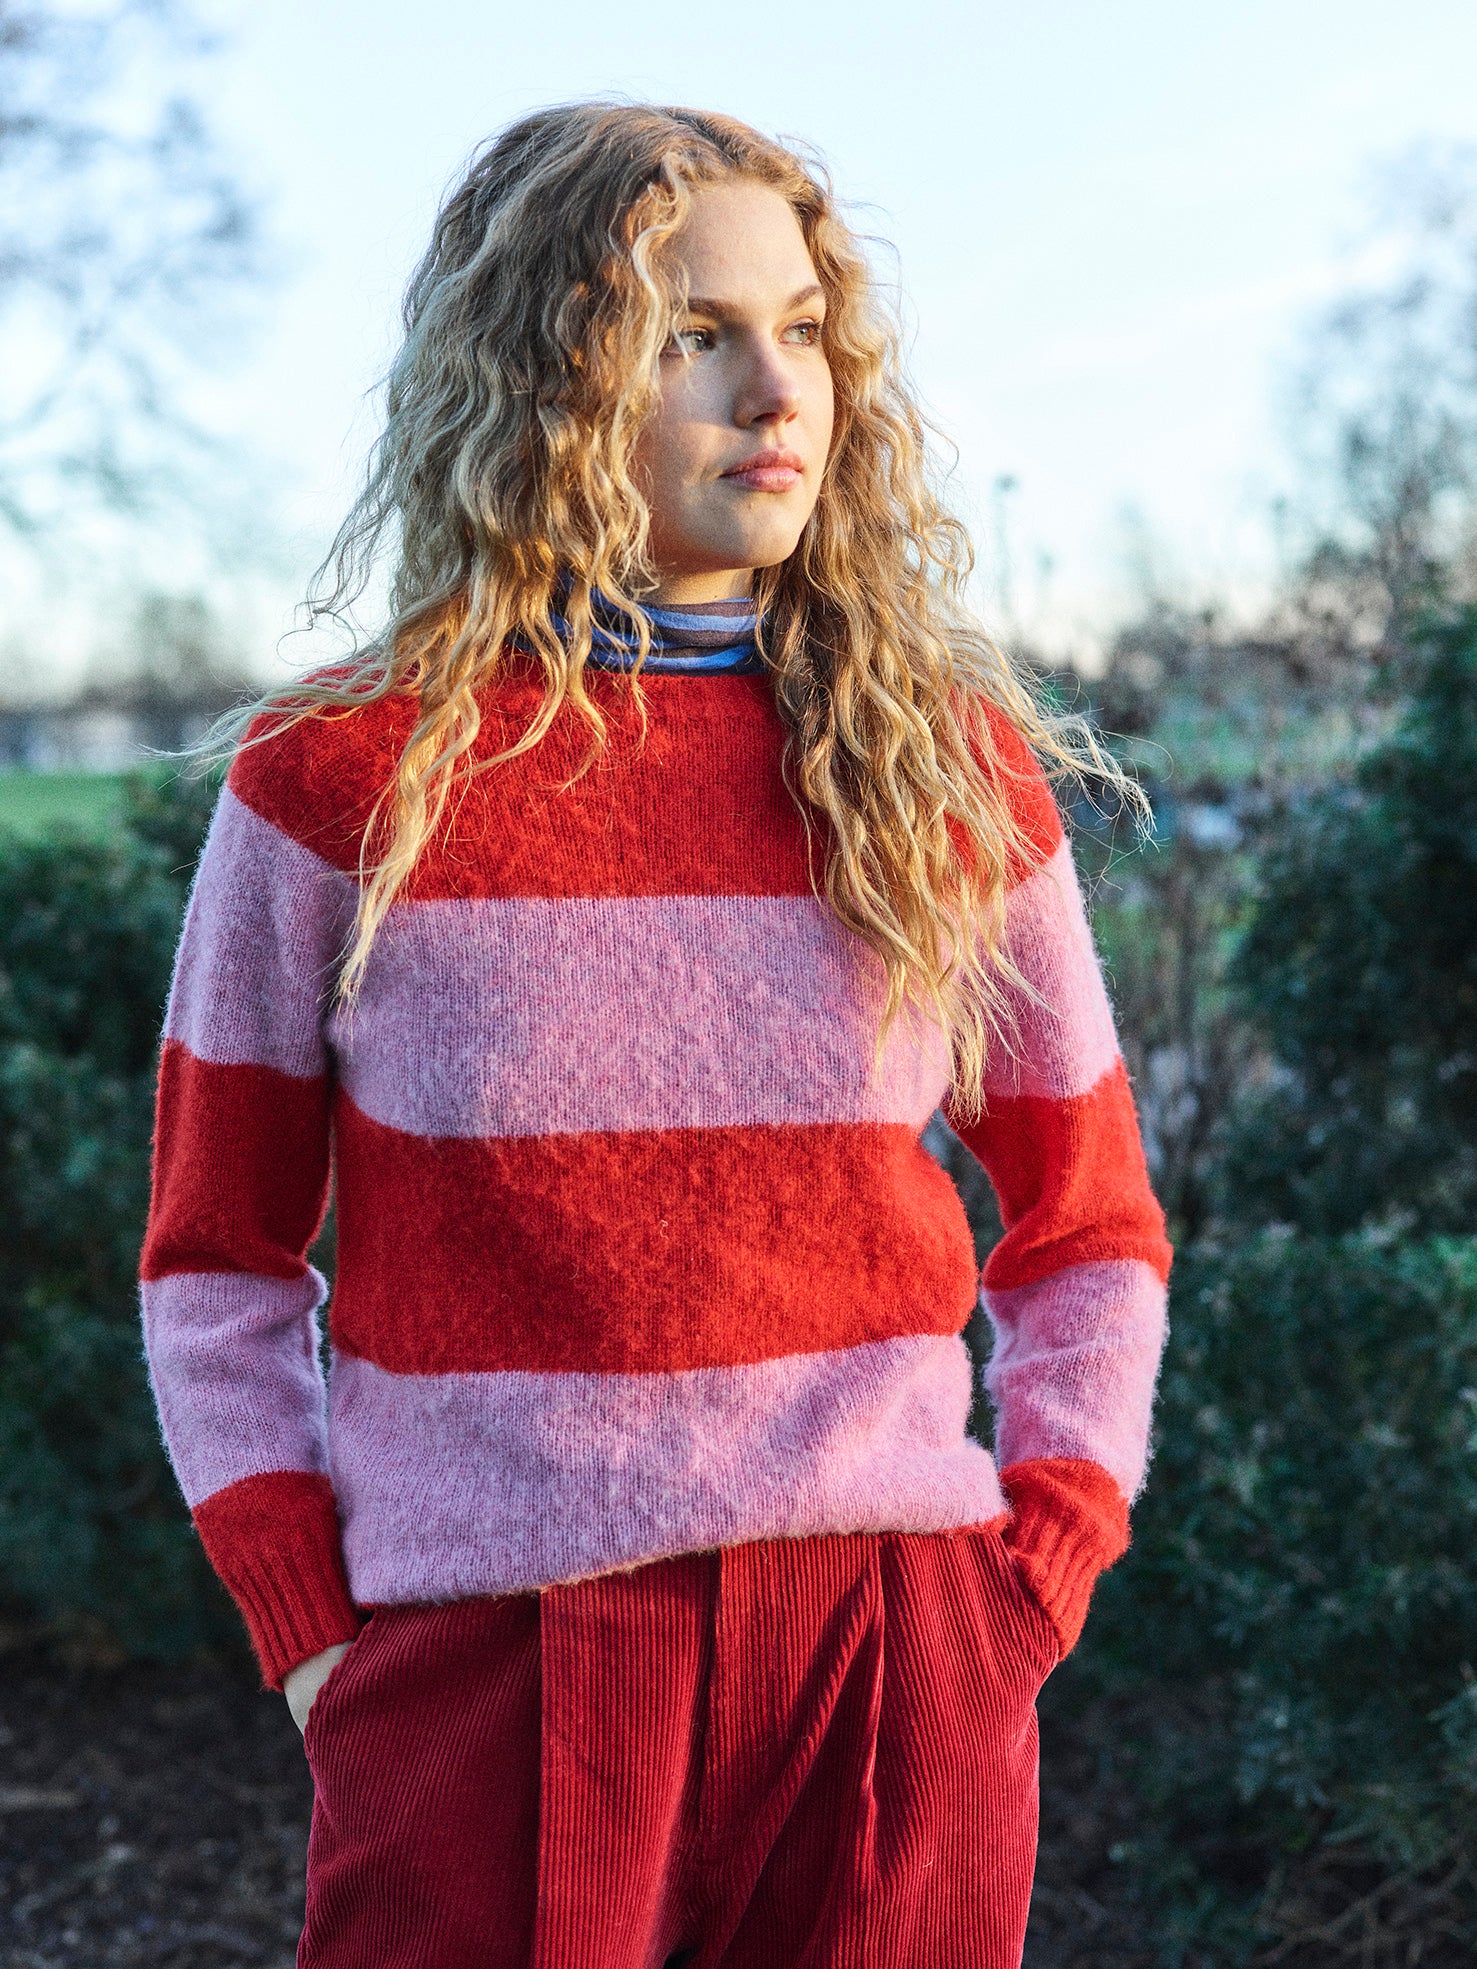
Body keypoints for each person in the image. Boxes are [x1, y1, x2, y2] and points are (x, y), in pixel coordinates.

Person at [139, 103, 1171, 1969]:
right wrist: (309, 1628)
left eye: (802, 328)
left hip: (887, 1653)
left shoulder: (940, 769)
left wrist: (1032, 1572)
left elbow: (1087, 1222)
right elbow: (213, 1257)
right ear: (542, 374)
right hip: (478, 1661)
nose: (775, 387)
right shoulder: (337, 779)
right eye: (693, 335)